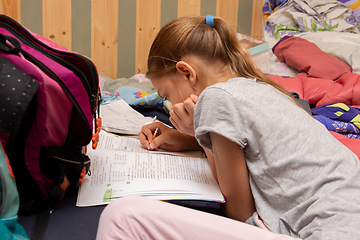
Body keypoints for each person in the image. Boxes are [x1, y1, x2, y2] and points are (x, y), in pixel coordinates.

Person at [96, 15, 360, 240]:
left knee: (121, 216)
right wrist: (193, 137)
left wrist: (200, 128)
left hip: (330, 230)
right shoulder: (260, 88)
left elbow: (239, 212)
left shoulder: (216, 98)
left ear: (187, 73)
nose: (168, 104)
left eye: (165, 95)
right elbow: (253, 146)